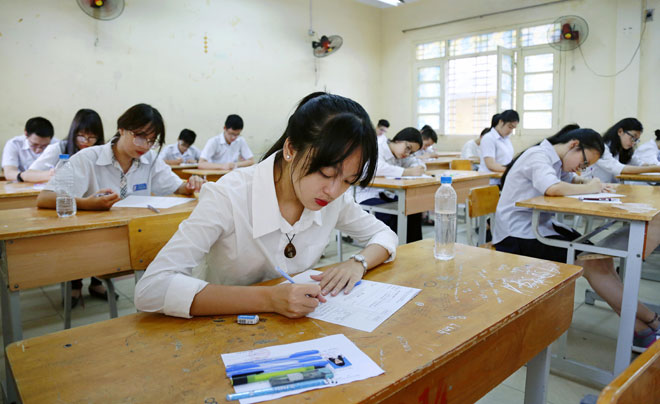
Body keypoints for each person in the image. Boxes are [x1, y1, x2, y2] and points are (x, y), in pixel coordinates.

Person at [134, 93, 398, 319]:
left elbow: (384, 234)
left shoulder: (335, 199)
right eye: (326, 173)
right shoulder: (229, 195)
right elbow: (151, 289)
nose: (333, 191)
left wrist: (358, 262)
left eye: (349, 181)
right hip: (219, 327)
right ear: (291, 149)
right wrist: (270, 299)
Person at [494, 126, 660, 352]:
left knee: (601, 258)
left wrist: (587, 184)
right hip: (517, 235)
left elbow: (569, 179)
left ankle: (639, 328)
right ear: (574, 145)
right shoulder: (538, 155)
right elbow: (553, 188)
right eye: (583, 163)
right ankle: (650, 320)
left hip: (541, 227)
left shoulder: (556, 159)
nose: (581, 169)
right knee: (591, 264)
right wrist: (589, 187)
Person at [36, 103, 203, 307]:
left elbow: (177, 186)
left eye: (152, 141)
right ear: (121, 129)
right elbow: (45, 197)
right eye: (140, 136)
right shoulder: (88, 157)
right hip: (95, 244)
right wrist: (86, 203)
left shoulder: (150, 159)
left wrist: (191, 184)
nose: (145, 146)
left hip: (137, 240)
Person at [355, 127, 426, 243]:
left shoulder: (401, 155)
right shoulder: (377, 148)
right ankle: (392, 249)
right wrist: (406, 172)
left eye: (412, 152)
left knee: (412, 210)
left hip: (386, 195)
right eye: (408, 148)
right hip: (367, 196)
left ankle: (412, 249)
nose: (407, 154)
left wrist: (419, 167)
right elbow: (377, 168)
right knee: (392, 216)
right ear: (398, 140)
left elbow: (417, 163)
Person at [23, 109, 105, 183]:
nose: (86, 141)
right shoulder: (59, 148)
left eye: (92, 137)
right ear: (73, 133)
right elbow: (27, 174)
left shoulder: (101, 151)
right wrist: (51, 175)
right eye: (81, 136)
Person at [587, 118, 660, 183]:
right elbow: (619, 168)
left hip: (608, 187)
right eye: (633, 137)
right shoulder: (601, 147)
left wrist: (650, 166)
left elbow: (638, 163)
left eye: (636, 140)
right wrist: (653, 169)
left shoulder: (622, 150)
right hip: (592, 187)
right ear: (620, 131)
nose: (634, 142)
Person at [2, 117, 57, 182]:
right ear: (26, 133)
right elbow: (9, 173)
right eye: (34, 145)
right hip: (21, 184)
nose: (38, 150)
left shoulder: (56, 145)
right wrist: (27, 176)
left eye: (44, 146)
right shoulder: (14, 144)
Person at [478, 110, 519, 185]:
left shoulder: (506, 139)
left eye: (513, 128)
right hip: (490, 182)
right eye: (510, 127)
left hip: (502, 179)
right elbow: (491, 165)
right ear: (501, 122)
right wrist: (512, 169)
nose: (511, 131)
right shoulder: (488, 138)